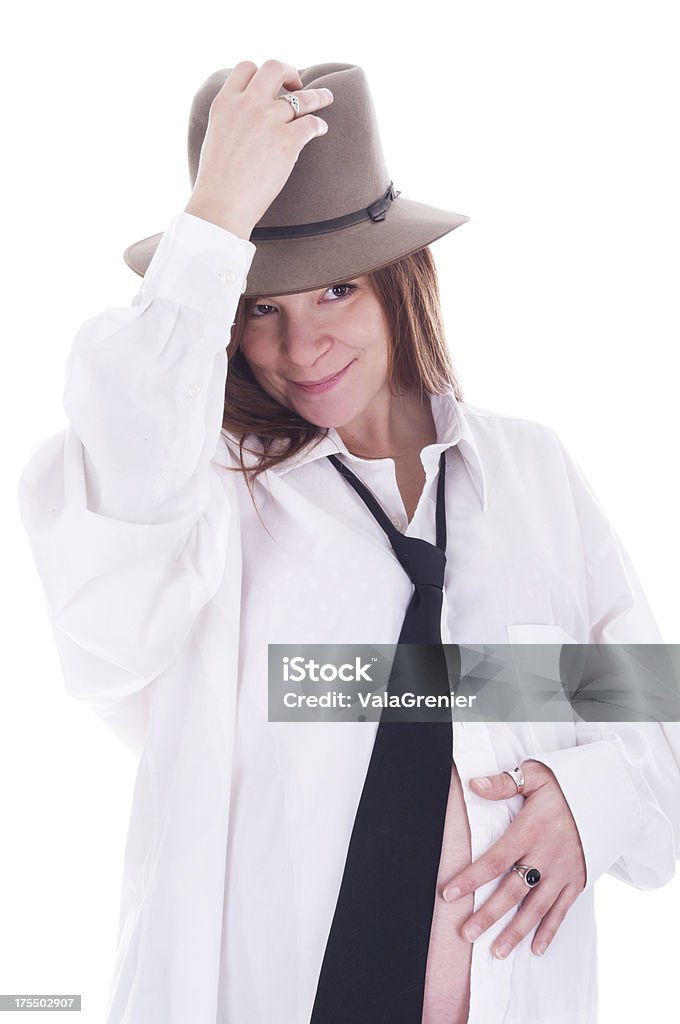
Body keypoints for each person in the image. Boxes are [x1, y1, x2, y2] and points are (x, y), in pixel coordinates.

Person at [17, 60, 680, 1024]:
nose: (301, 348)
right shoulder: (204, 494)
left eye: (335, 291)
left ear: (402, 279)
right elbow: (117, 523)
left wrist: (593, 798)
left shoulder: (531, 477)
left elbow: (648, 716)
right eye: (260, 307)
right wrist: (215, 219)